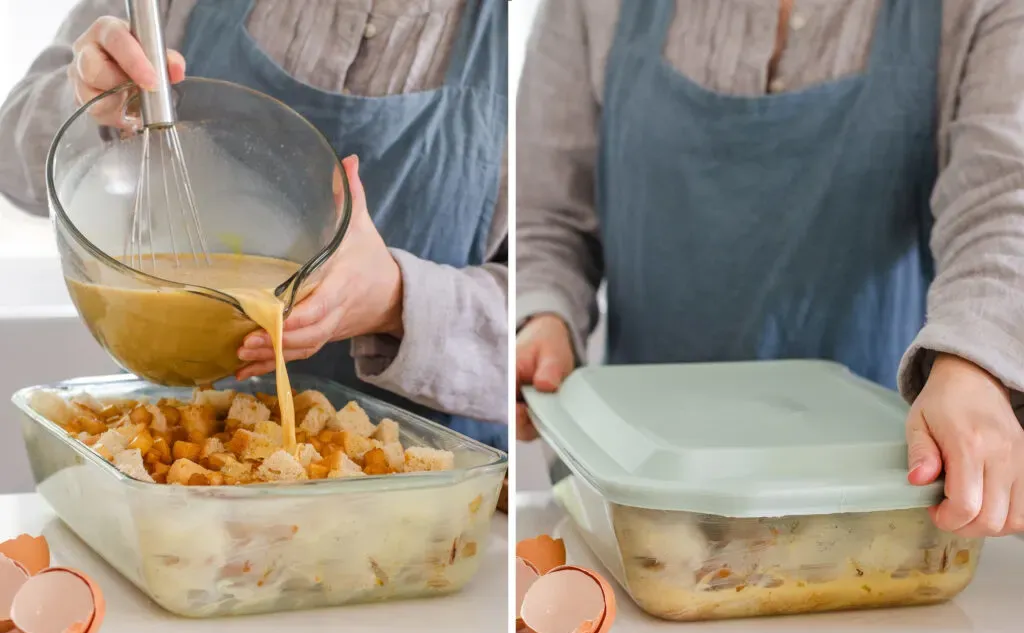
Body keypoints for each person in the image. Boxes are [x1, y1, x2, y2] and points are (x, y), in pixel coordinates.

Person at [516, 0, 1024, 537]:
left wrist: (973, 362)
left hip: (883, 503)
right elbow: (547, 213)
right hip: (638, 499)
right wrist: (543, 313)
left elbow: (1002, 200)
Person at [0, 0, 509, 451]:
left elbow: (543, 320)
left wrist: (394, 299)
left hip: (433, 483)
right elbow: (13, 159)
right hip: (165, 449)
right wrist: (90, 102)